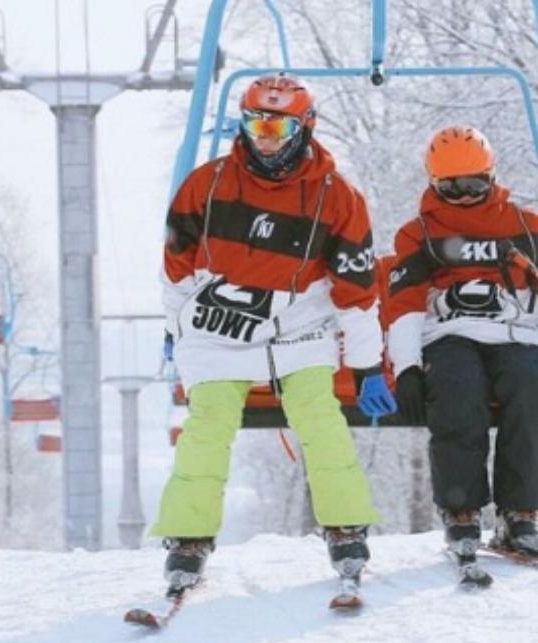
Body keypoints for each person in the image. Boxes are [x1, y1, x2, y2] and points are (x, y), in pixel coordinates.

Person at [152, 74, 396, 597]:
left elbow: (356, 292)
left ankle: (346, 527)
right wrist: (175, 330)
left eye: (276, 126)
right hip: (219, 330)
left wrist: (368, 365)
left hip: (297, 331)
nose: (264, 137)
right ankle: (189, 538)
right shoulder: (207, 184)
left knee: (320, 419)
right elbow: (176, 267)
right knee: (207, 426)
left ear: (303, 127)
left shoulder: (337, 198)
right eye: (255, 123)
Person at [383, 125, 538, 560]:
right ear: (433, 183)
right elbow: (405, 307)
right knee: (455, 387)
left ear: (491, 177)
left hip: (517, 332)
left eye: (474, 184)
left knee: (534, 387)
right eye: (451, 188)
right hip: (448, 333)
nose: (465, 197)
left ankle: (520, 514)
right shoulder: (419, 234)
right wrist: (408, 368)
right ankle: (461, 510)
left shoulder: (526, 227)